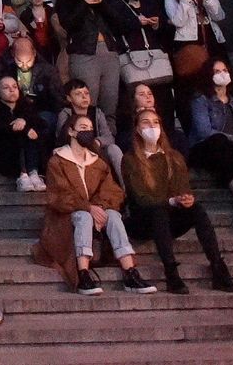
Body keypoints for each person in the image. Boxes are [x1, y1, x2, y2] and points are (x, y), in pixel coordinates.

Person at [34, 110, 156, 295]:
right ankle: (83, 272)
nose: (88, 132)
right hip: (65, 216)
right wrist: (88, 207)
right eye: (83, 128)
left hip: (93, 211)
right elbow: (59, 196)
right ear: (71, 132)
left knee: (114, 215)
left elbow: (112, 191)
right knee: (83, 216)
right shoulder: (57, 162)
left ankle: (130, 271)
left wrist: (98, 207)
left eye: (90, 128)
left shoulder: (97, 162)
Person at [122, 106, 233, 293]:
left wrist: (186, 199)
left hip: (170, 216)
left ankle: (218, 267)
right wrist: (170, 202)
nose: (152, 127)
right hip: (143, 219)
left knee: (197, 209)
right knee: (158, 212)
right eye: (146, 123)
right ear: (137, 129)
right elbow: (141, 198)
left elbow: (183, 188)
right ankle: (171, 273)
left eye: (155, 122)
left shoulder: (174, 157)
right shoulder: (130, 160)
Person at [55, 0, 130, 126]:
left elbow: (119, 23)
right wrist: (84, 3)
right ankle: (88, 140)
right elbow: (69, 24)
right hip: (84, 53)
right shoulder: (65, 0)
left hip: (109, 52)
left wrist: (101, 3)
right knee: (87, 103)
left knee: (110, 102)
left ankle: (109, 141)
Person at [186, 57, 233, 209]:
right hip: (205, 147)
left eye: (224, 71)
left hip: (231, 145)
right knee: (220, 141)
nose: (222, 74)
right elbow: (204, 132)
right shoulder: (200, 99)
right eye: (217, 71)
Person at [0, 74, 50, 191]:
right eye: (6, 88)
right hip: (4, 154)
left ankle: (33, 172)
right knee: (20, 135)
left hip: (28, 151)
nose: (11, 90)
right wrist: (24, 129)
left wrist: (24, 122)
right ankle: (23, 174)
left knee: (34, 135)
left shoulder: (26, 106)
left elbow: (41, 124)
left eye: (14, 87)